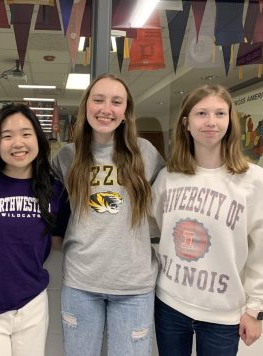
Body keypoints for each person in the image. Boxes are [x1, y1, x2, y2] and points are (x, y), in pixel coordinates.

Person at [151, 84, 263, 356]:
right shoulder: (169, 177)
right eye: (201, 113)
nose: (211, 122)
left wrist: (256, 308)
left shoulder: (253, 180)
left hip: (223, 313)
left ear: (230, 121)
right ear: (186, 124)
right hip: (170, 305)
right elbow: (150, 225)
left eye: (219, 114)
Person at [52, 73, 165, 356]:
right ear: (86, 106)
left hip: (133, 287)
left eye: (117, 102)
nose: (106, 109)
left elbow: (170, 200)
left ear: (126, 112)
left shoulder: (145, 153)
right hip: (81, 284)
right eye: (98, 99)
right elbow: (46, 200)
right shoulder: (66, 157)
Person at [0, 104, 69, 356]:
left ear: (38, 139)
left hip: (31, 302)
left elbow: (57, 242)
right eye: (7, 136)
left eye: (26, 133)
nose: (17, 143)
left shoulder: (55, 192)